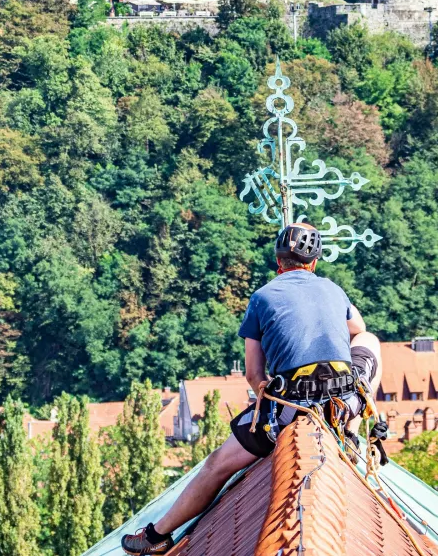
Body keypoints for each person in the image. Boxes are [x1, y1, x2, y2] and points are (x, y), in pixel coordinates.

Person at [122, 222, 382, 556]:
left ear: (279, 263)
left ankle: (156, 536)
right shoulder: (333, 289)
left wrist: (265, 391)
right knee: (370, 341)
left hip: (290, 408)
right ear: (314, 263)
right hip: (342, 397)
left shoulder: (261, 298)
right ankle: (350, 430)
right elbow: (358, 331)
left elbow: (253, 373)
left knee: (218, 465)